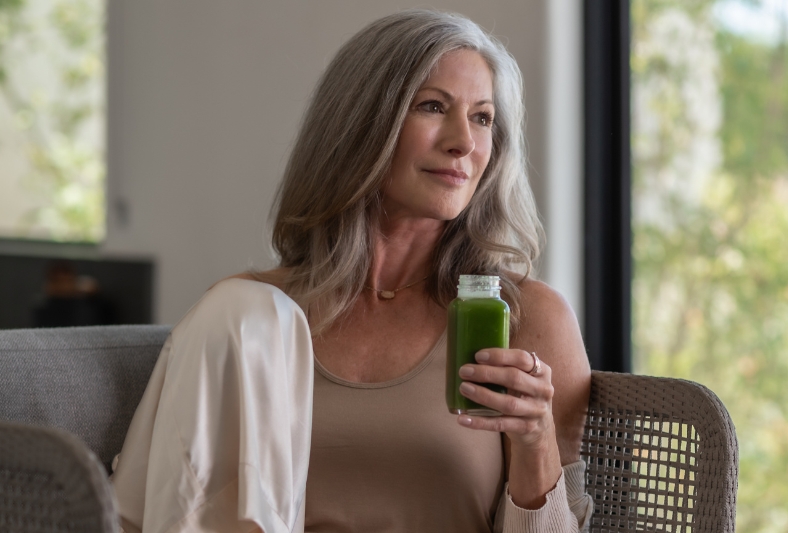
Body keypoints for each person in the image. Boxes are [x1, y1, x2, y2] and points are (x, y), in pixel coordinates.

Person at [111, 9, 593, 533]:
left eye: (482, 117)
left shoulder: (525, 317)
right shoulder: (247, 319)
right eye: (433, 106)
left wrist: (535, 440)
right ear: (362, 123)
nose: (465, 142)